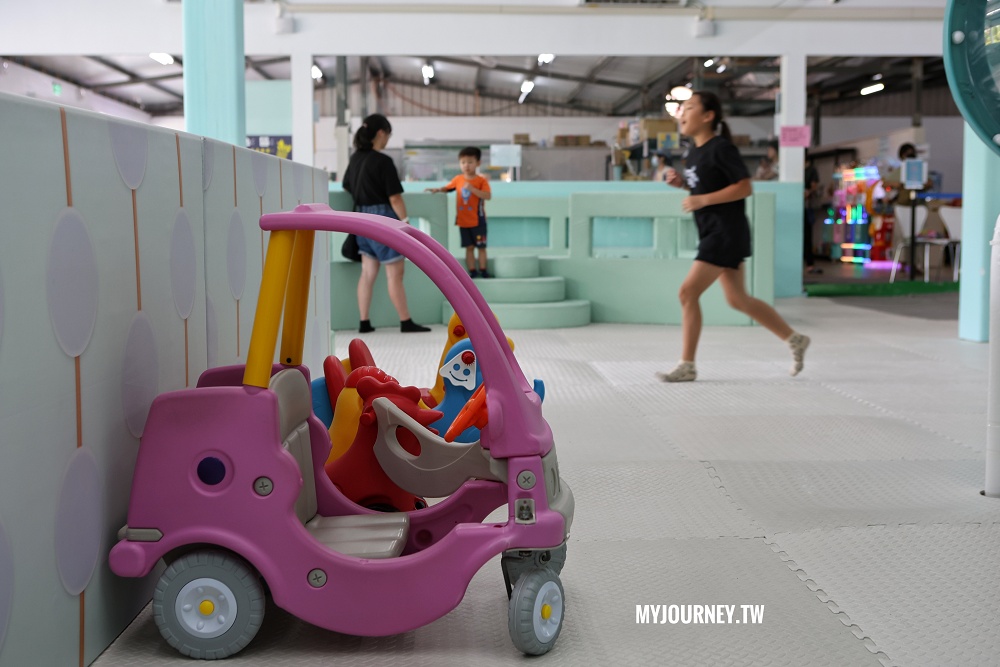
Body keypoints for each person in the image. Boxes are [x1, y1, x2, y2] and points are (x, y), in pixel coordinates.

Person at [657, 91, 810, 382]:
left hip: (725, 232)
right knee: (738, 300)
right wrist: (682, 186)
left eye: (689, 107)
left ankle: (687, 365)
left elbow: (744, 187)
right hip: (714, 231)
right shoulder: (693, 152)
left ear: (708, 116)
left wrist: (701, 201)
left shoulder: (721, 148)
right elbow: (703, 190)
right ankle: (794, 339)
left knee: (687, 293)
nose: (683, 113)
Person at [342, 113, 430, 334]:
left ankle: (364, 322)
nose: (388, 140)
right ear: (381, 133)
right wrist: (406, 223)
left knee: (367, 273)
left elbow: (346, 185)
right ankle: (405, 321)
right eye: (388, 135)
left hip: (360, 219)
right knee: (394, 273)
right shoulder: (383, 161)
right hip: (383, 218)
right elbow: (395, 198)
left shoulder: (355, 159)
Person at [427, 147, 492, 278]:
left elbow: (487, 196)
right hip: (463, 222)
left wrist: (473, 189)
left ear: (478, 163)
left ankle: (484, 270)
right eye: (463, 162)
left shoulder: (481, 181)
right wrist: (437, 190)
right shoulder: (458, 179)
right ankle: (472, 271)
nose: (466, 165)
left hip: (478, 221)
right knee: (469, 248)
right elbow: (448, 188)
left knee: (481, 247)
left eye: (470, 162)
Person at [804, 157, 822, 274]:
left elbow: (814, 186)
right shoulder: (796, 169)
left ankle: (810, 264)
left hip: (807, 206)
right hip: (800, 206)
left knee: (807, 235)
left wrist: (807, 193)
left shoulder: (811, 170)